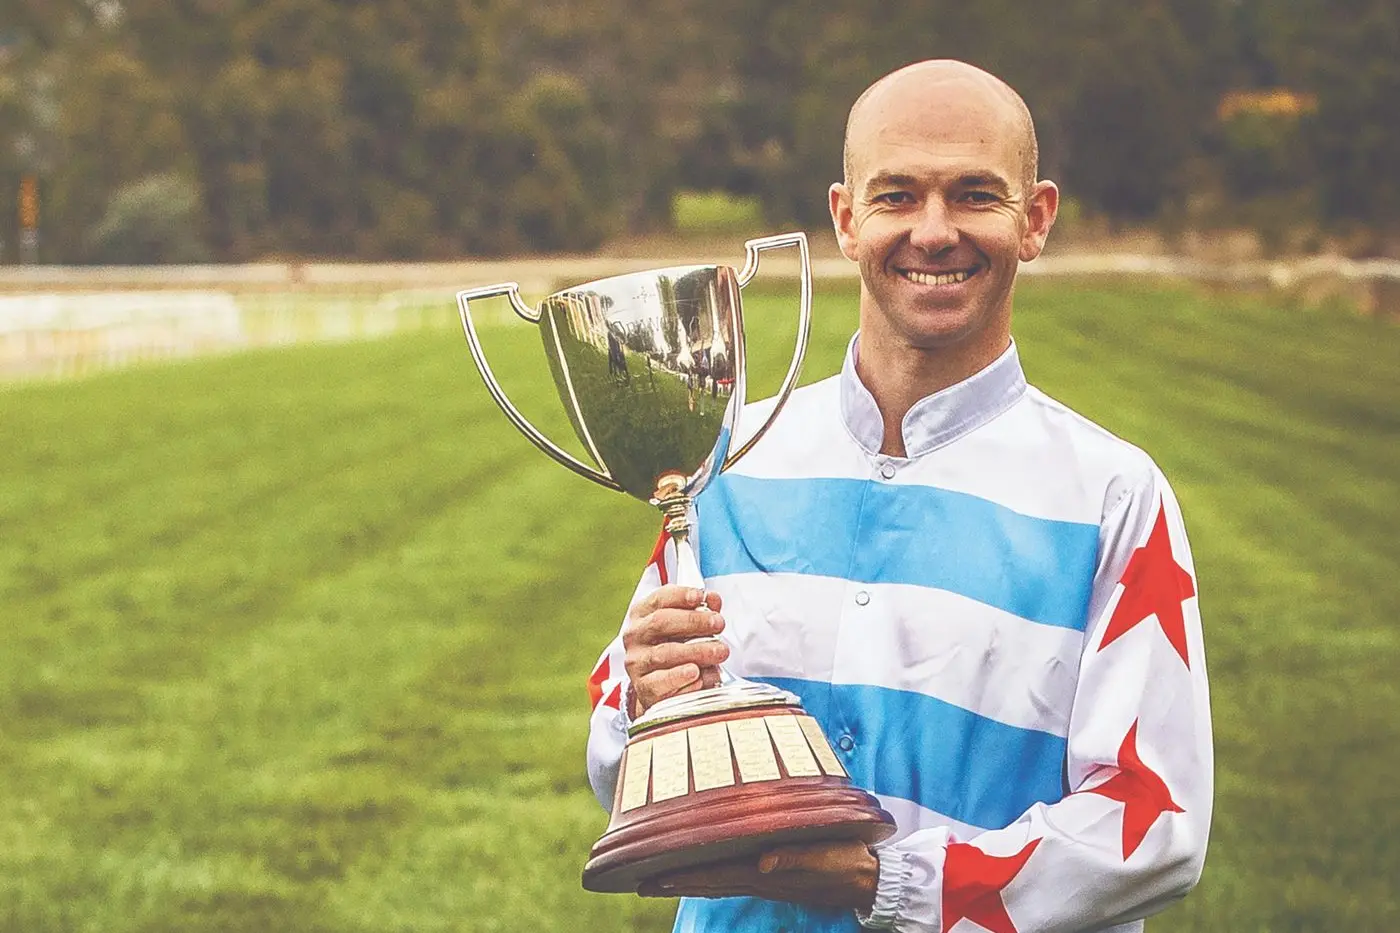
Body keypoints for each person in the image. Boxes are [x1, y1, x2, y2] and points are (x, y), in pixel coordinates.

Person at [585, 59, 1212, 933]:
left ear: (1034, 221)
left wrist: (891, 883)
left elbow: (1156, 823)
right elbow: (622, 769)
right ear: (846, 218)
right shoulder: (721, 461)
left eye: (975, 194)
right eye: (898, 195)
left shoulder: (1112, 498)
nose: (934, 229)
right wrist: (649, 702)